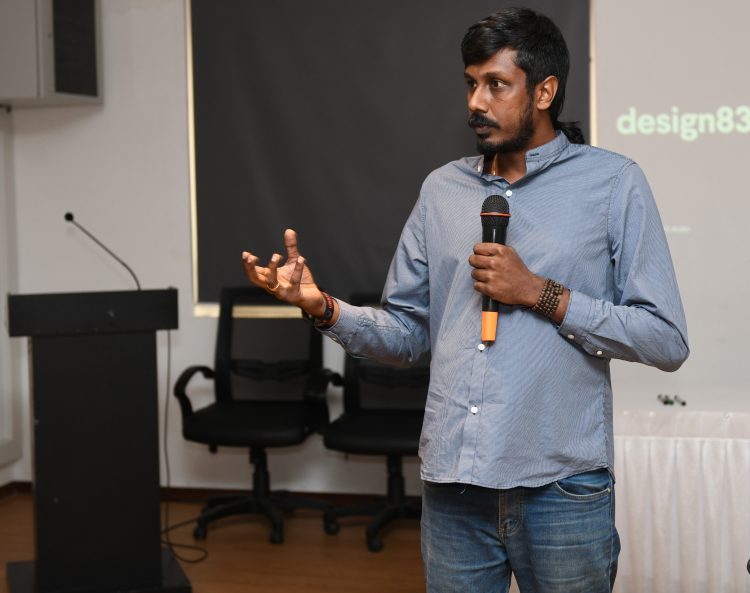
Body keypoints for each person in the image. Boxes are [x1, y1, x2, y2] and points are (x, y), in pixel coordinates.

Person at [241, 7, 688, 593]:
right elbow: (407, 335)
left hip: (561, 488)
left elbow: (665, 339)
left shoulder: (613, 183)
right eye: (471, 84)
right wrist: (322, 306)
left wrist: (540, 293)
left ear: (545, 91)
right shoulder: (442, 189)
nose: (476, 102)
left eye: (496, 84)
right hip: (454, 487)